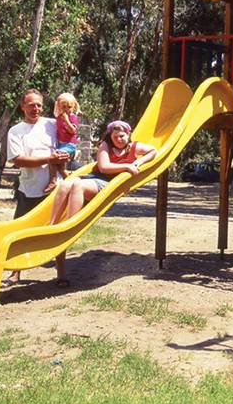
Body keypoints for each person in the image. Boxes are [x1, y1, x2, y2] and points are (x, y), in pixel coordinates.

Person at [47, 120, 157, 285]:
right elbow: (104, 167)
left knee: (77, 184)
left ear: (128, 135)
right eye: (115, 136)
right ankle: (53, 223)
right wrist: (127, 166)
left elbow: (153, 151)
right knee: (65, 183)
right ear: (110, 136)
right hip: (97, 178)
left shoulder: (134, 147)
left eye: (122, 136)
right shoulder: (105, 146)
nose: (119, 139)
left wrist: (138, 162)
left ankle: (70, 225)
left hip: (108, 184)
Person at [3, 89, 71, 285]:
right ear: (23, 107)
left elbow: (67, 142)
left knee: (57, 231)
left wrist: (67, 155)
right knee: (19, 232)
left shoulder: (52, 124)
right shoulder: (16, 131)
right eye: (31, 105)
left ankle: (61, 275)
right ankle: (15, 273)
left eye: (39, 105)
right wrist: (49, 158)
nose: (36, 109)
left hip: (56, 189)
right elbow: (18, 160)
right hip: (29, 189)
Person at [46, 92, 81, 192]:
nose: (66, 110)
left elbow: (73, 131)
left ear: (73, 107)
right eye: (64, 107)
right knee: (61, 169)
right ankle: (72, 183)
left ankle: (53, 181)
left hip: (69, 145)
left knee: (53, 159)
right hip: (61, 144)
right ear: (59, 106)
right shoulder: (58, 118)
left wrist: (66, 120)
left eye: (69, 107)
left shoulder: (72, 117)